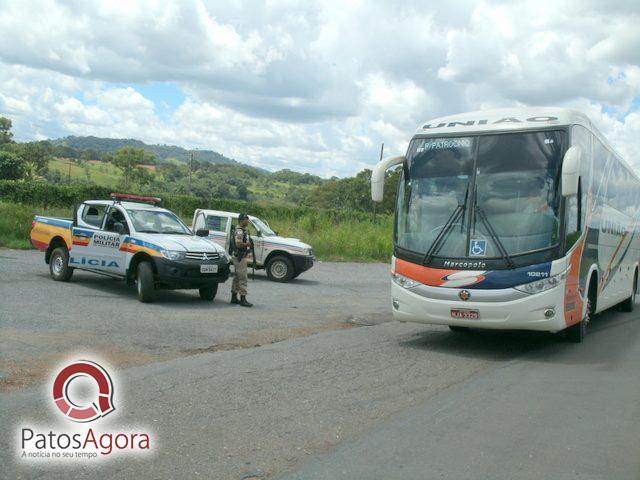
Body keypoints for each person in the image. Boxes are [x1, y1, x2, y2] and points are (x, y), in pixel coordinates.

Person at [230, 213, 253, 307]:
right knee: (243, 278)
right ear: (241, 220)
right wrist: (247, 244)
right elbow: (238, 244)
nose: (247, 221)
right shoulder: (239, 231)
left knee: (237, 278)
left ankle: (234, 298)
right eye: (246, 219)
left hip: (239, 256)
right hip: (239, 257)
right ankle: (243, 299)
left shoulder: (243, 230)